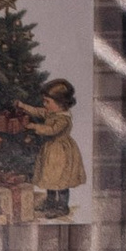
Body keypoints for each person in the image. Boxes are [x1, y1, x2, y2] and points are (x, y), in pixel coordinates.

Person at [29, 76, 87, 219]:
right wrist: (24, 107)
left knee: (61, 180)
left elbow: (51, 130)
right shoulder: (52, 112)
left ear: (60, 103)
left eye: (47, 102)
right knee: (50, 178)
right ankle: (50, 203)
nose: (44, 104)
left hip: (61, 152)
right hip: (51, 151)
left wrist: (35, 126)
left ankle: (62, 207)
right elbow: (38, 111)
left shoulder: (63, 119)